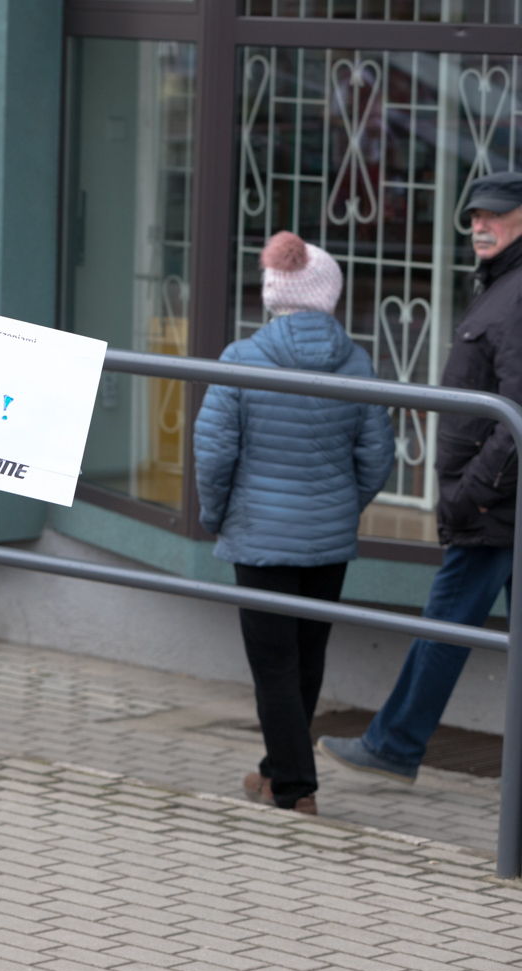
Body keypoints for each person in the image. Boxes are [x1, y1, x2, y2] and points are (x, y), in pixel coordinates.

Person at [318, 172, 522, 784]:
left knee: (442, 626)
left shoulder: (516, 294)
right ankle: (395, 743)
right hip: (493, 501)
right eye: (474, 216)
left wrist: (472, 494)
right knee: (447, 626)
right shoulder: (500, 285)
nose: (480, 225)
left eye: (495, 215)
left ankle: (394, 745)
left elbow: (515, 413)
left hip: (492, 504)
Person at [194, 231, 394, 814]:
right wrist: (342, 507)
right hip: (328, 539)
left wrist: (217, 516)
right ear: (329, 294)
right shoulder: (357, 361)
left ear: (273, 292)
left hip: (259, 537)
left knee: (274, 665)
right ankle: (274, 769)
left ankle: (294, 788)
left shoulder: (242, 357)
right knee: (307, 657)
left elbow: (214, 454)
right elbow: (377, 455)